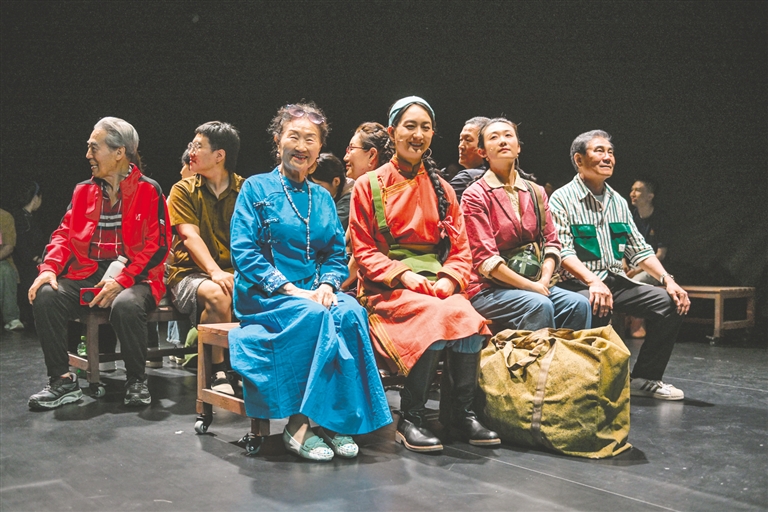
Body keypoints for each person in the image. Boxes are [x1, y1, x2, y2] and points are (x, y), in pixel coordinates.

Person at [228, 102, 392, 461]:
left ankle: (333, 421)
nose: (301, 146)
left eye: (310, 139)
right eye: (294, 137)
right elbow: (243, 250)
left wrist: (328, 286)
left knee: (350, 312)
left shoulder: (321, 197)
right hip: (265, 294)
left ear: (319, 148)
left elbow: (334, 253)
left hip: (314, 289)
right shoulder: (256, 188)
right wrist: (289, 289)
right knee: (314, 316)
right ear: (278, 141)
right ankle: (298, 424)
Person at [349, 96, 499, 453]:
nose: (418, 134)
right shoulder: (368, 185)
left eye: (425, 128)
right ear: (392, 132)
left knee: (466, 316)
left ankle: (460, 413)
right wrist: (403, 275)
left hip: (435, 284)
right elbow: (364, 250)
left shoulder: (442, 188)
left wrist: (449, 278)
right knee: (434, 316)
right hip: (385, 288)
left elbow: (461, 250)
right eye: (410, 126)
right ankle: (412, 417)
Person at [27, 117, 171, 409]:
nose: (87, 155)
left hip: (137, 276)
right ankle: (62, 382)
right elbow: (63, 235)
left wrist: (123, 279)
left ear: (119, 152)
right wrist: (49, 269)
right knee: (46, 295)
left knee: (126, 304)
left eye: (94, 148)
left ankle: (136, 380)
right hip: (90, 272)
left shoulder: (149, 190)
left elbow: (158, 246)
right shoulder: (83, 190)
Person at [549, 130, 691, 401]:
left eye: (610, 152)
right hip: (577, 283)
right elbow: (563, 251)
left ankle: (646, 377)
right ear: (579, 160)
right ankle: (587, 383)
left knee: (671, 303)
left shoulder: (618, 202)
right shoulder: (561, 199)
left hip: (614, 281)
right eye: (599, 151)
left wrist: (668, 280)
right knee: (592, 302)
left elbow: (639, 249)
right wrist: (593, 281)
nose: (607, 157)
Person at [462, 118, 591, 332]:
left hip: (534, 281)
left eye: (508, 135)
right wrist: (532, 287)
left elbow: (551, 243)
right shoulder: (475, 195)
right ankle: (536, 356)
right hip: (489, 287)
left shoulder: (536, 192)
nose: (503, 141)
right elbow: (485, 259)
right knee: (539, 304)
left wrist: (544, 281)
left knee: (579, 304)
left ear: (518, 147)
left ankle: (567, 356)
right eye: (494, 137)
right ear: (482, 152)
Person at [166, 122, 243, 392]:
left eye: (198, 146)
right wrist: (214, 271)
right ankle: (216, 370)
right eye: (192, 145)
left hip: (233, 272)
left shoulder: (245, 190)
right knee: (219, 293)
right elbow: (190, 237)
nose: (191, 152)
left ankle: (243, 366)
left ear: (219, 155)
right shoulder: (183, 190)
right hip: (189, 274)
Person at [341, 122, 395, 290]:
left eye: (351, 149)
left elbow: (361, 256)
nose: (345, 157)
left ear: (372, 155)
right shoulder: (366, 190)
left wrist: (333, 286)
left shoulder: (379, 192)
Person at [626, 178, 669, 337]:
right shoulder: (630, 217)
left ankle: (637, 322)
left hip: (653, 269)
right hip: (631, 266)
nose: (632, 194)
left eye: (637, 190)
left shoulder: (660, 218)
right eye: (632, 190)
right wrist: (623, 263)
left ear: (650, 196)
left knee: (637, 282)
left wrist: (637, 270)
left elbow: (660, 254)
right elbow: (622, 244)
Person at [12, 182, 47, 328]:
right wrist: (36, 258)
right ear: (35, 198)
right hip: (24, 264)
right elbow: (20, 244)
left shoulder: (32, 218)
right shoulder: (19, 218)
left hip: (33, 261)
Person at [449, 116, 489, 202]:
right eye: (461, 140)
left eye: (468, 140)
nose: (461, 146)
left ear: (485, 146)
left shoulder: (465, 178)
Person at [309, 153, 353, 230]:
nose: (315, 191)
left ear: (336, 181)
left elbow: (330, 229)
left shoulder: (349, 199)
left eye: (319, 186)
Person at [0, 208, 23, 331]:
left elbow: (8, 247)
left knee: (6, 270)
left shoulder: (4, 217)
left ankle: (12, 318)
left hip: (1, 260)